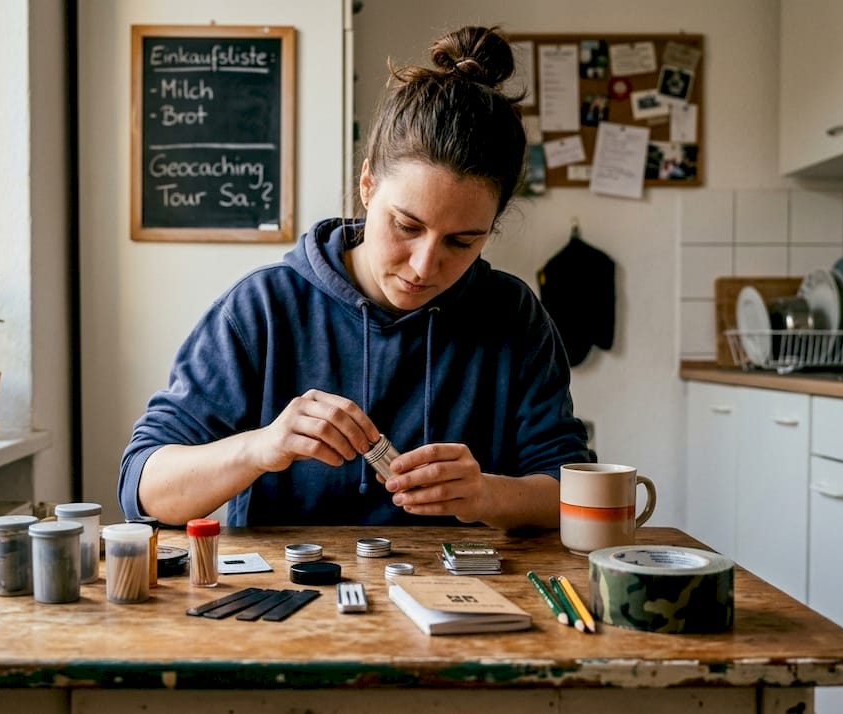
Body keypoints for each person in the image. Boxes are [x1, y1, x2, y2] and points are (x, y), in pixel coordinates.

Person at [119, 25, 593, 530]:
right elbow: (142, 489)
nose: (423, 266)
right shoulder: (262, 309)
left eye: (462, 241)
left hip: (463, 598)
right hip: (291, 600)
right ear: (367, 185)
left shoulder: (513, 316)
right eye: (406, 226)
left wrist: (486, 496)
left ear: (492, 227)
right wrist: (261, 447)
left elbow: (572, 492)